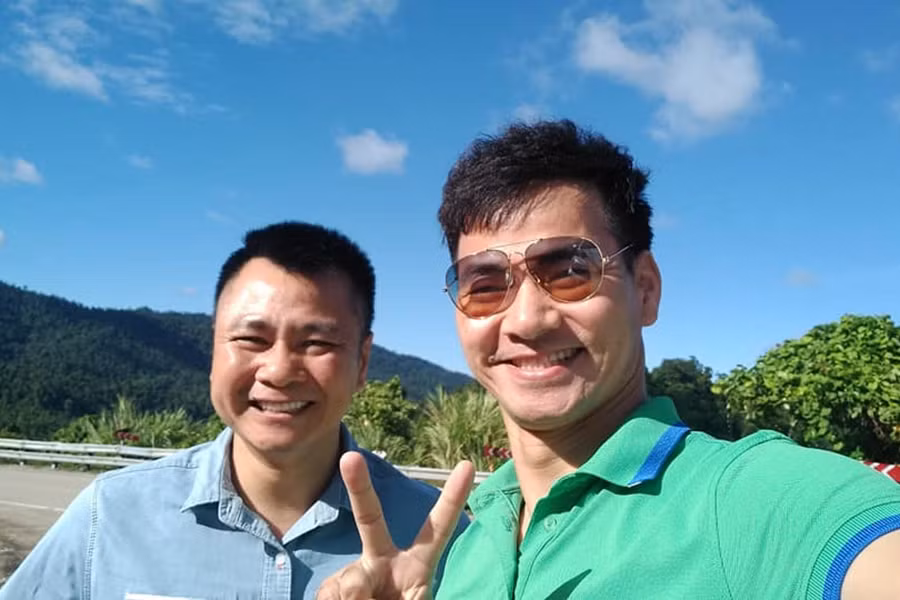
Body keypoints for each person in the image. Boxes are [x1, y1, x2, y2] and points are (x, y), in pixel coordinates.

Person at [316, 120, 900, 599]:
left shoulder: (750, 501)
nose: (526, 320)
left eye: (570, 271)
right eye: (486, 284)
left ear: (645, 289)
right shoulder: (465, 542)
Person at [0, 221, 467, 599]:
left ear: (362, 363)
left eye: (317, 342)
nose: (279, 371)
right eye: (250, 339)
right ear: (213, 351)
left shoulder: (441, 540)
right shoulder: (111, 515)